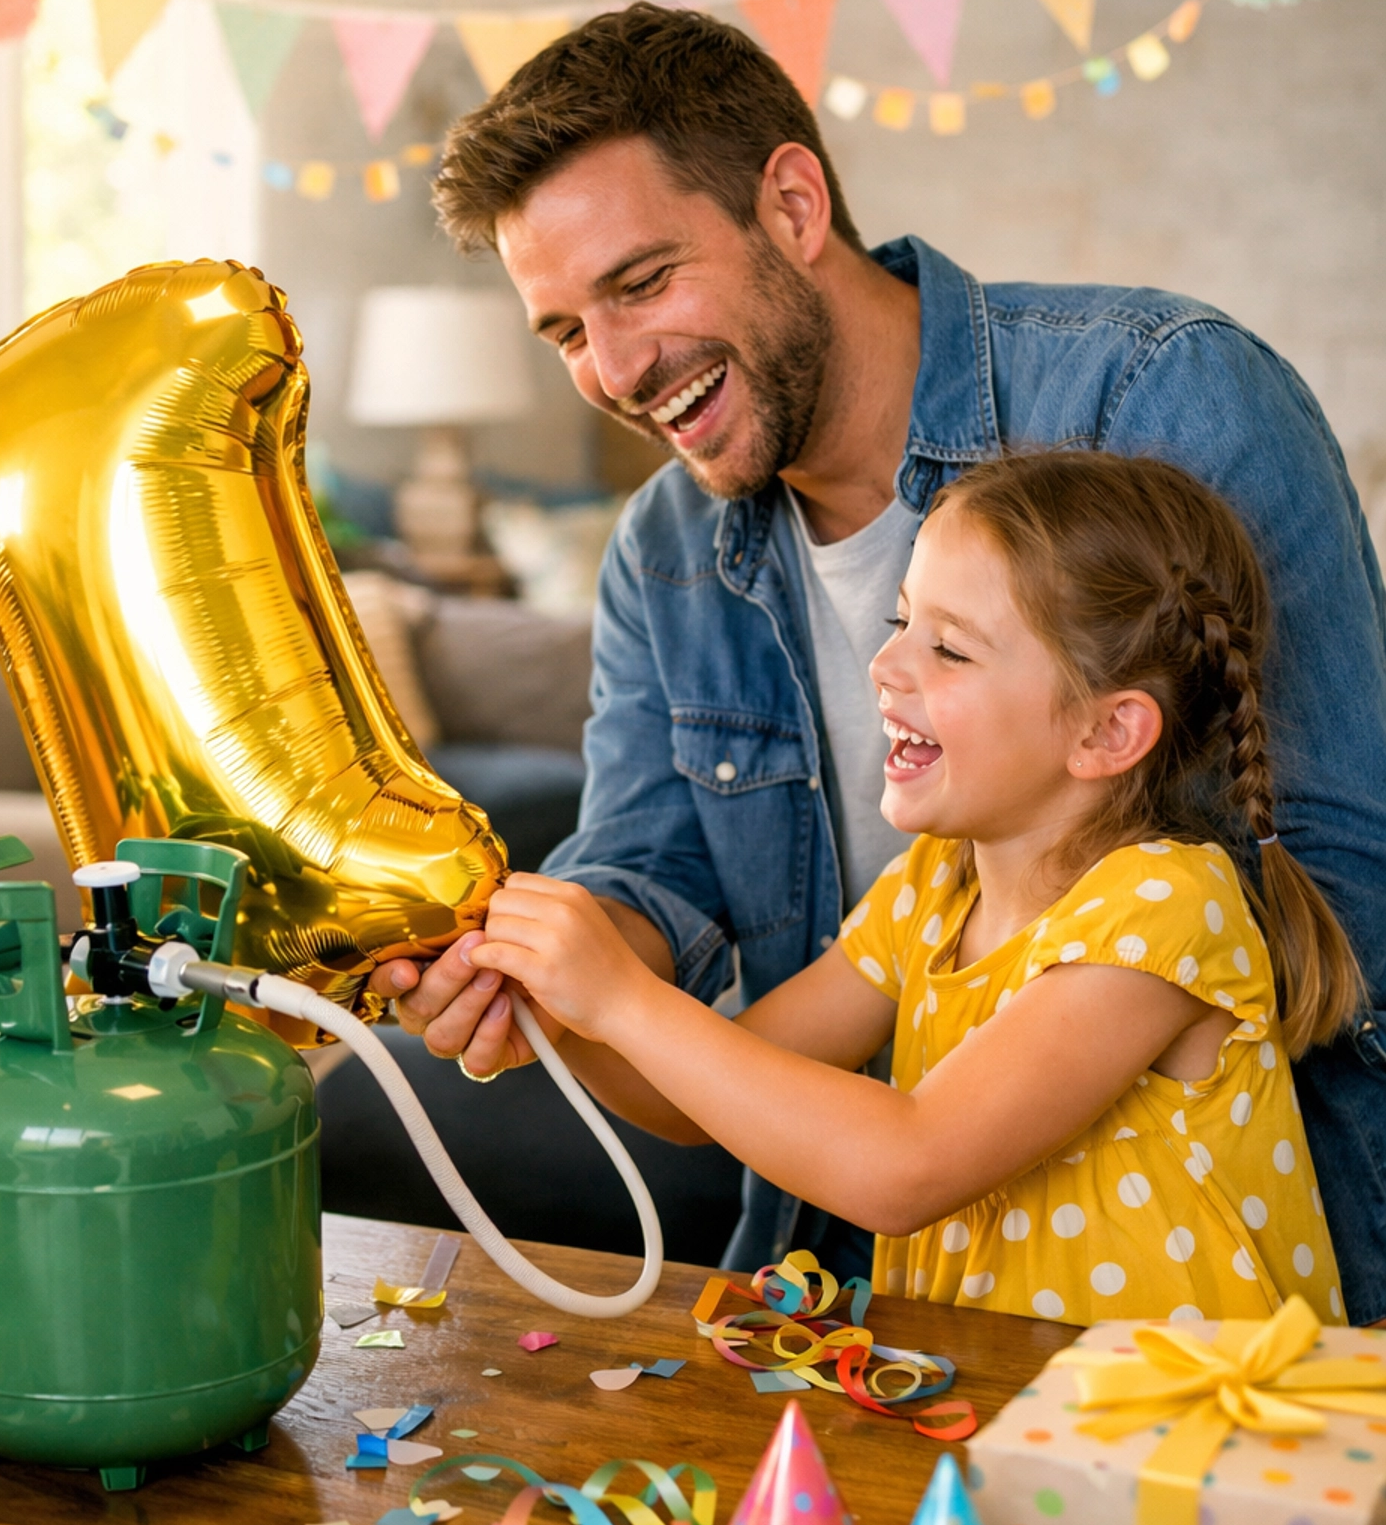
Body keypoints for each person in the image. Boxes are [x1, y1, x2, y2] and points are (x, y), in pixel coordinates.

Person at [375, 2, 1386, 1321]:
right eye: (564, 331)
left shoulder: (1162, 394)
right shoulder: (667, 555)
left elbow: (1341, 893)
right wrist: (541, 990)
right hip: (881, 1304)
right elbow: (653, 912)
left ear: (793, 205)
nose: (614, 370)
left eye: (642, 282)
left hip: (1196, 1335)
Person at [465, 451, 1353, 1327]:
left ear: (1106, 732)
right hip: (1002, 1401)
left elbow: (905, 1167)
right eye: (900, 621)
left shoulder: (1165, 908)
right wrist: (549, 1001)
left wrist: (620, 996)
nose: (885, 664)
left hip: (1179, 1412)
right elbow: (696, 1096)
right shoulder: (931, 889)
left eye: (949, 648)